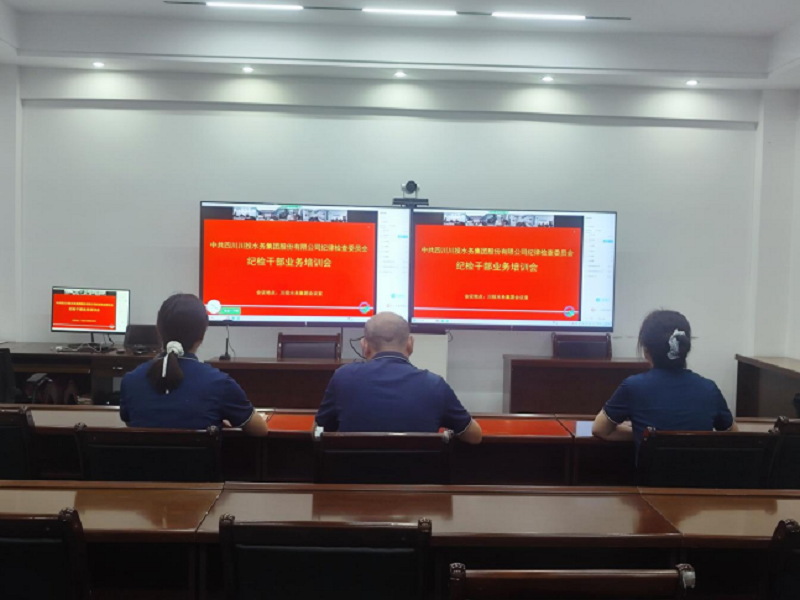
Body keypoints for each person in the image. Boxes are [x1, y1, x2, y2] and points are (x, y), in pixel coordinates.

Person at [315, 312, 482, 443]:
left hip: (353, 477)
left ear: (364, 346)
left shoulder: (343, 378)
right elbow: (475, 436)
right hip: (418, 478)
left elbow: (318, 431)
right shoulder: (435, 385)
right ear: (410, 344)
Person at [120, 294, 268, 435]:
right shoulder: (220, 383)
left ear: (158, 329)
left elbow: (130, 422)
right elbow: (260, 430)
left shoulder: (131, 380)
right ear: (202, 335)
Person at [592, 309, 737, 449]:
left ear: (646, 351)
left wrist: (642, 434)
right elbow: (733, 436)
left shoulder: (633, 387)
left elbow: (600, 430)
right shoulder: (709, 389)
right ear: (685, 349)